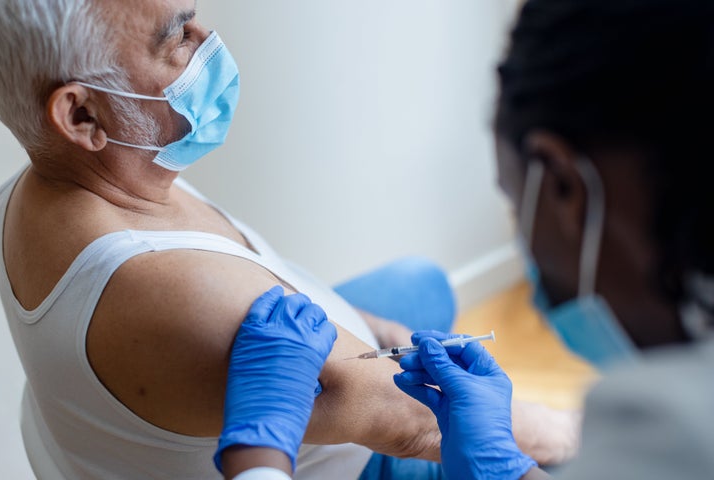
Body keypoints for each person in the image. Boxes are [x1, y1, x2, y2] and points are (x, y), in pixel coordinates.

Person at [0, 1, 576, 478]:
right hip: (356, 460)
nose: (209, 38)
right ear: (83, 117)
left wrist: (375, 334)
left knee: (417, 284)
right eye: (177, 38)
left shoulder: (45, 184)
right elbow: (411, 422)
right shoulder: (176, 295)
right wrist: (550, 435)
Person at [218, 0, 714, 478]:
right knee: (420, 281)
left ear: (564, 187)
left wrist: (259, 457)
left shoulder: (666, 429)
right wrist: (507, 469)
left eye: (514, 199)